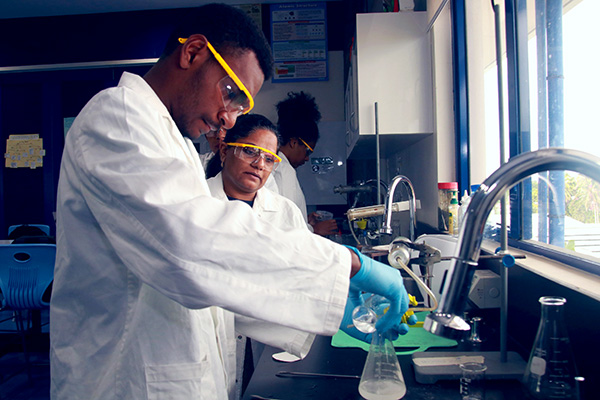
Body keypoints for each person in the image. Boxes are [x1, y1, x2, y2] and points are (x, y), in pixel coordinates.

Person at [50, 4, 410, 399]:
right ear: (193, 53)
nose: (229, 117)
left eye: (242, 105)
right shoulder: (117, 116)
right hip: (122, 381)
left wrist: (328, 304)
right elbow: (190, 247)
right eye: (232, 93)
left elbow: (218, 283)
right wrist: (349, 267)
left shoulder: (174, 144)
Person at [206, 113, 313, 396]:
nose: (259, 164)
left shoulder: (284, 212)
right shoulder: (197, 203)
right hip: (204, 344)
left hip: (266, 344)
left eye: (269, 158)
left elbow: (303, 275)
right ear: (226, 150)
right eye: (250, 152)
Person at [269, 91, 339, 237]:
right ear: (294, 142)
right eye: (308, 151)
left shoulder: (277, 165)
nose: (307, 159)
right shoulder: (284, 170)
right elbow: (285, 225)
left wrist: (305, 221)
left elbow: (285, 216)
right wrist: (315, 230)